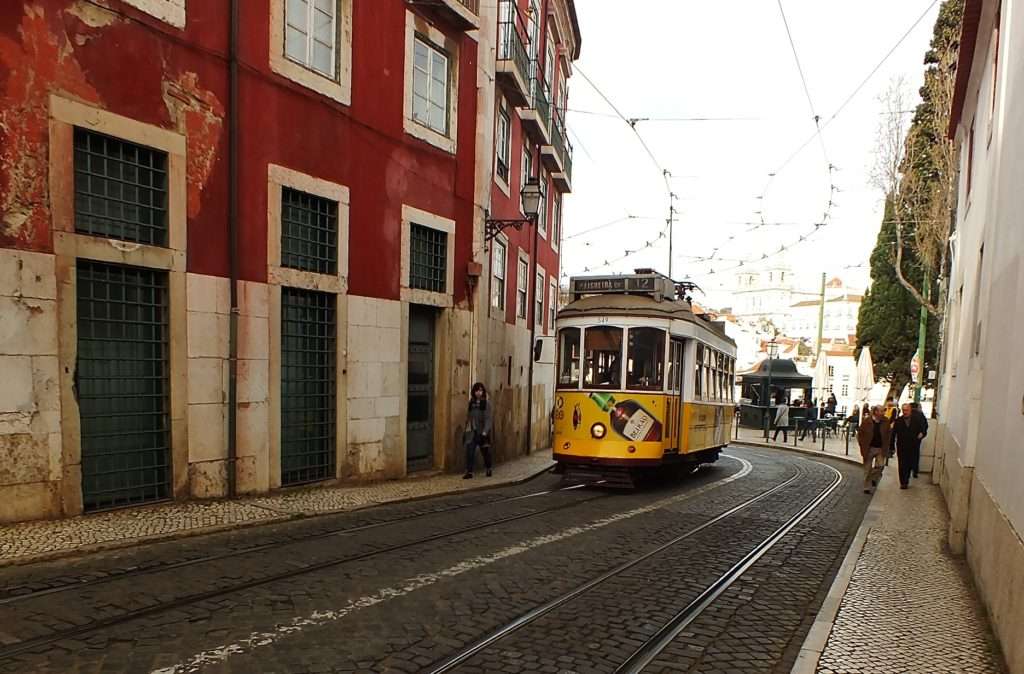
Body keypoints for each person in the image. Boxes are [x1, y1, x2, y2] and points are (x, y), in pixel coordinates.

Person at [857, 405, 891, 494]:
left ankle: (873, 478)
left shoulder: (886, 421)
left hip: (880, 448)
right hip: (869, 448)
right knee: (867, 469)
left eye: (883, 411)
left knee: (881, 465)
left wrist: (888, 446)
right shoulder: (867, 421)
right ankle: (866, 487)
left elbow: (888, 435)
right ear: (876, 412)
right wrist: (862, 445)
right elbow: (860, 434)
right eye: (881, 411)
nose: (883, 413)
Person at [893, 403, 928, 488]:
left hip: (913, 445)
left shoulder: (917, 420)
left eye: (907, 410)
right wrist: (891, 447)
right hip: (902, 446)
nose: (905, 412)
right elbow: (893, 434)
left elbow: (923, 429)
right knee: (902, 464)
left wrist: (922, 434)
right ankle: (903, 483)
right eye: (904, 410)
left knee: (909, 463)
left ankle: (907, 477)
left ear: (910, 410)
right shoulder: (898, 421)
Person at [463, 382, 493, 479]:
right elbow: (469, 417)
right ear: (474, 392)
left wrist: (485, 432)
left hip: (482, 432)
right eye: (477, 390)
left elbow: (488, 419)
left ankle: (488, 468)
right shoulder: (471, 403)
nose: (478, 393)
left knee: (485, 452)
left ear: (483, 392)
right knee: (469, 451)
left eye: (480, 390)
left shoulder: (486, 403)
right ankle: (469, 471)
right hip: (472, 432)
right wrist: (466, 430)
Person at [909, 402, 930, 478]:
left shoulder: (908, 414)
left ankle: (908, 469)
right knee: (915, 454)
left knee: (906, 455)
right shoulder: (921, 415)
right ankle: (915, 470)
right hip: (917, 438)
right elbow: (925, 426)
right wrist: (922, 434)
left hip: (907, 438)